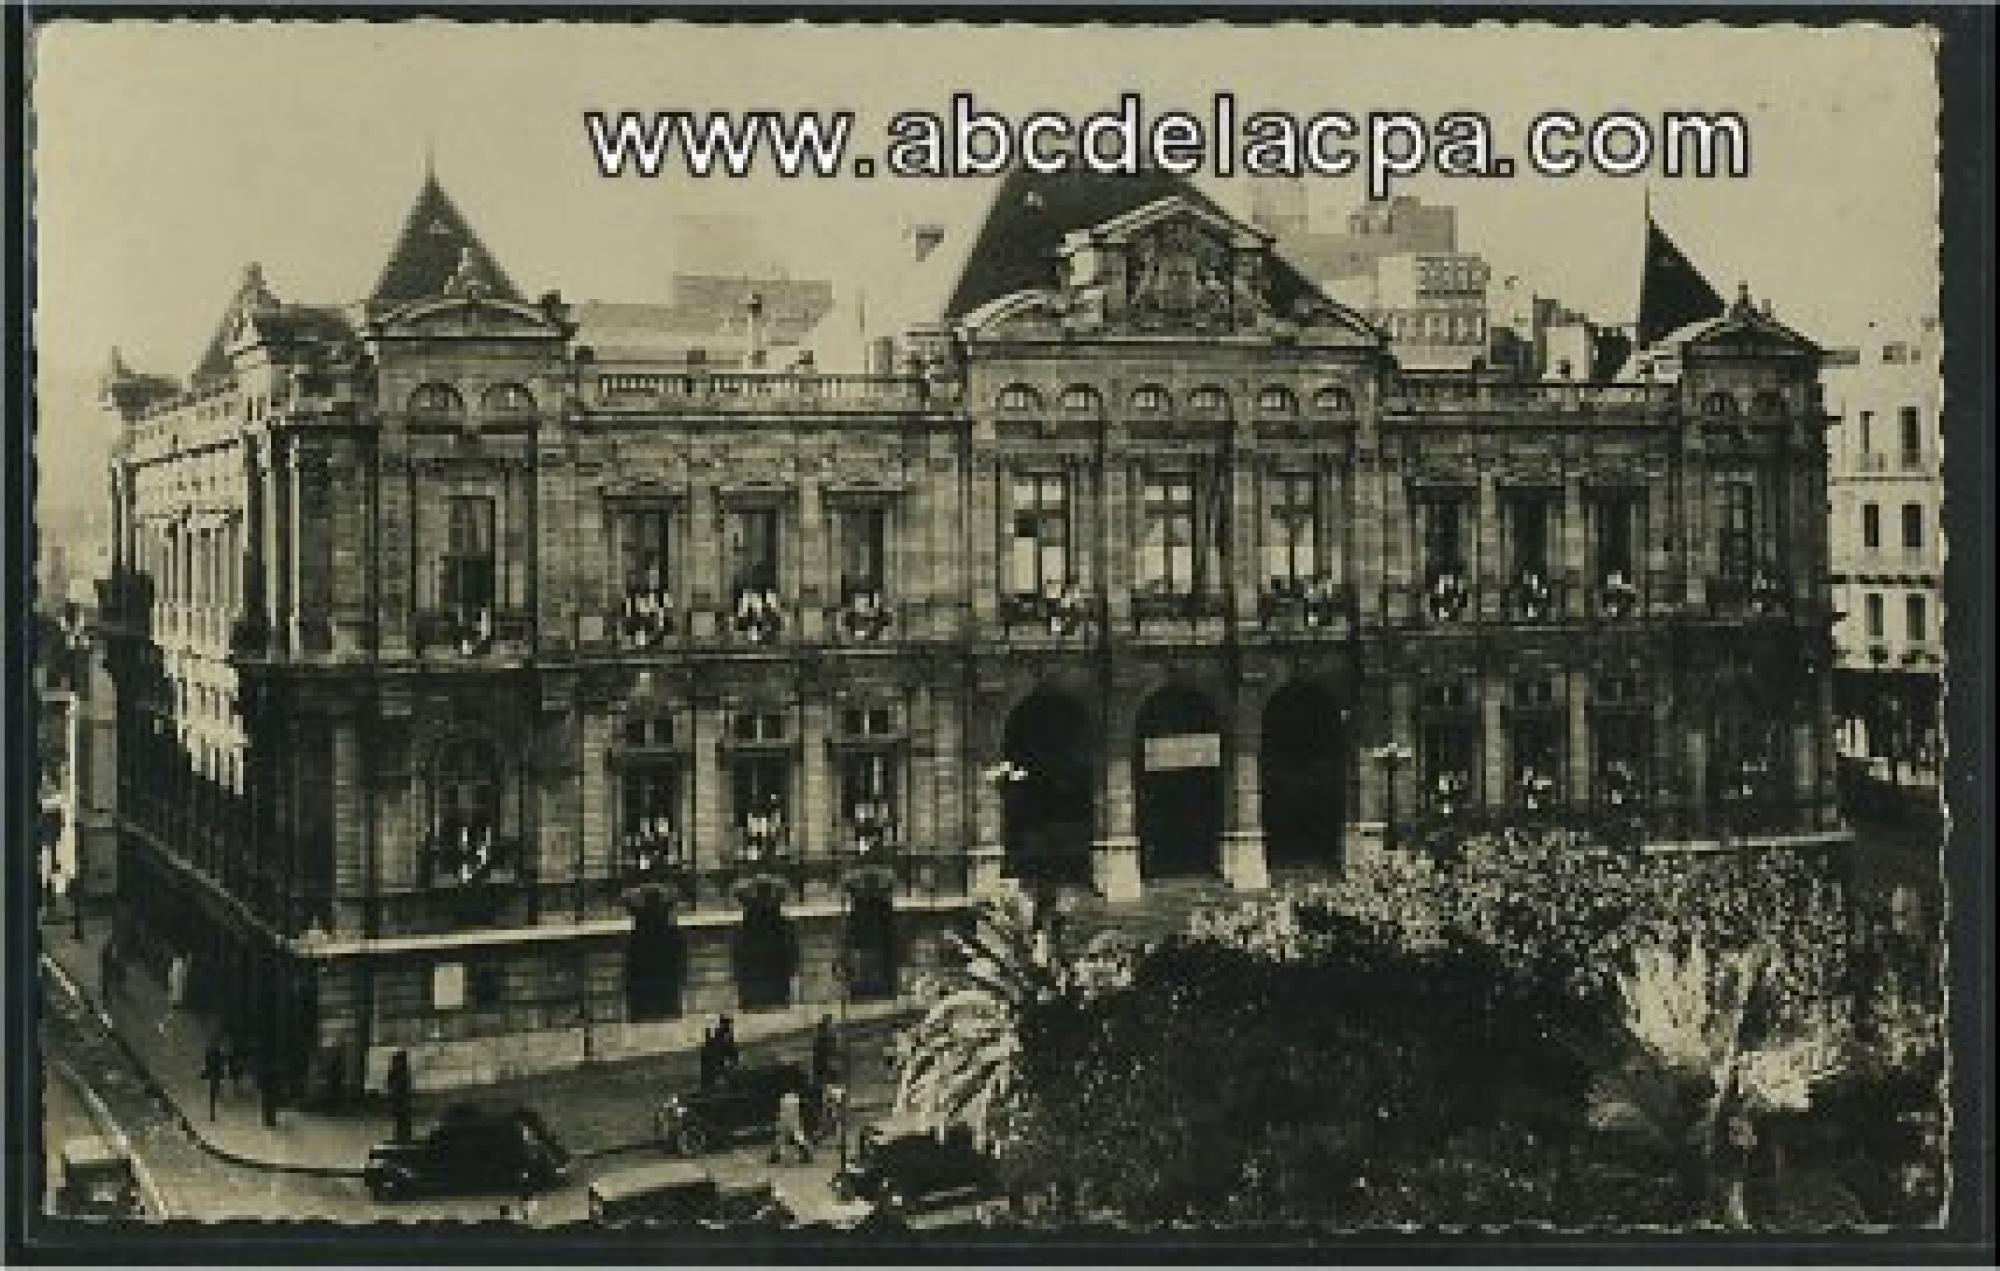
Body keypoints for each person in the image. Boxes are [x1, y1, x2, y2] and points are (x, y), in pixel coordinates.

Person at [769, 1086, 812, 1165]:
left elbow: (777, 1111)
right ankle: (807, 1156)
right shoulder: (795, 1098)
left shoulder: (783, 1098)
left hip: (784, 1121)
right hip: (793, 1122)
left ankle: (774, 1157)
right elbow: (803, 1110)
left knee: (780, 1139)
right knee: (799, 1138)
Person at [386, 1050, 414, 1143]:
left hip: (400, 1101)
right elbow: (391, 1084)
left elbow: (391, 1085)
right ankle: (402, 1137)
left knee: (402, 1120)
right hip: (399, 1101)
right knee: (401, 1120)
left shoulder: (400, 1073)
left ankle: (402, 1137)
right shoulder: (400, 1073)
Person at [200, 1038, 228, 1122]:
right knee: (214, 1094)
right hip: (215, 1074)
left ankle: (212, 1113)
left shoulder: (211, 1053)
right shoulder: (218, 1054)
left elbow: (207, 1064)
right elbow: (221, 1065)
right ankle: (213, 1114)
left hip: (213, 1074)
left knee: (213, 1095)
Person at [811, 1015, 838, 1090]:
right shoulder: (828, 1034)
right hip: (823, 1059)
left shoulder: (825, 1033)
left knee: (824, 1076)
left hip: (823, 1059)